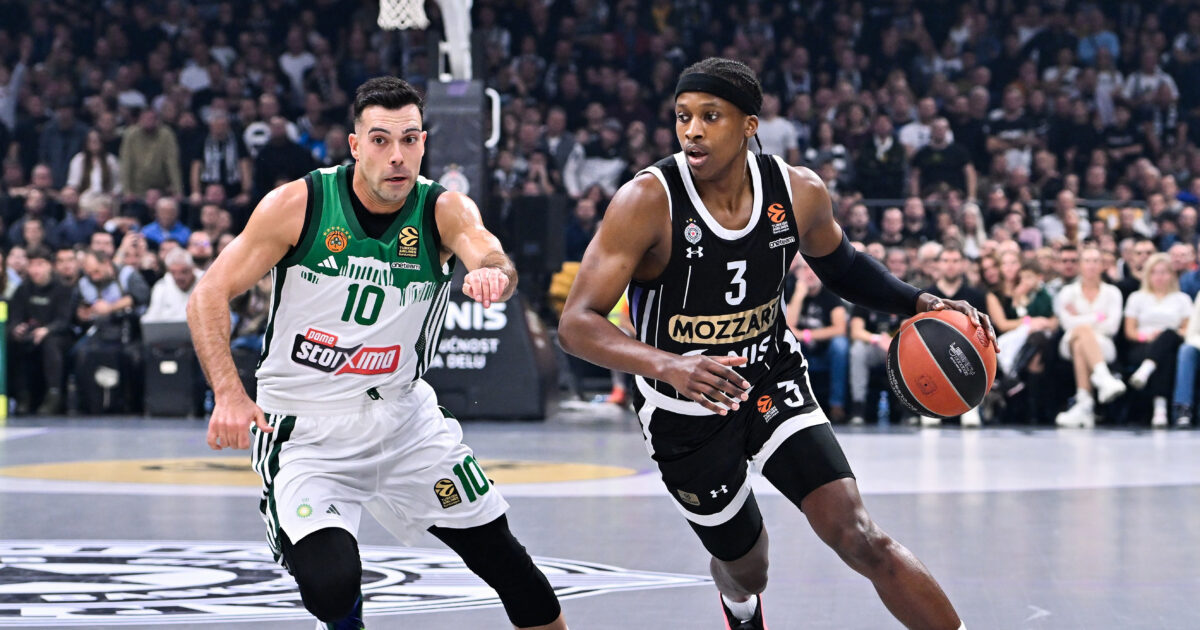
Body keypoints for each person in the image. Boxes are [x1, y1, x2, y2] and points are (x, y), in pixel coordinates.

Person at [558, 58, 988, 630]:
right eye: (683, 117)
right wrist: (671, 366)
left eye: (710, 116)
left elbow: (843, 266)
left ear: (749, 125)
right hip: (685, 408)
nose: (692, 131)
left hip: (771, 376)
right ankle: (741, 608)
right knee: (748, 568)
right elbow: (576, 323)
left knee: (859, 534)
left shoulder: (798, 190)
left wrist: (916, 301)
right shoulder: (647, 201)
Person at [186, 77, 567, 630]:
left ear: (424, 143)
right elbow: (208, 294)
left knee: (509, 565)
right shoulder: (299, 204)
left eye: (409, 139)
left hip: (403, 420)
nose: (397, 156)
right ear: (355, 145)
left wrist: (494, 276)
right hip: (306, 429)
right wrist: (228, 392)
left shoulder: (443, 208)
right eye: (381, 140)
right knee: (330, 587)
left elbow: (491, 254)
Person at [1054, 246, 1126, 428]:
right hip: (1068, 341)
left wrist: (1080, 317)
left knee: (1081, 342)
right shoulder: (1067, 292)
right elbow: (1067, 324)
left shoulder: (1113, 293)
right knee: (1081, 332)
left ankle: (1084, 405)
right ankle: (1104, 378)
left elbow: (1112, 327)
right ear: (1080, 265)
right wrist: (1097, 317)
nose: (1091, 265)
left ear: (1102, 265)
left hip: (1103, 343)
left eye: (1095, 261)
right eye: (1087, 261)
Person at [1123, 253, 1191, 427]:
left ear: (1171, 275)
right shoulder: (1137, 297)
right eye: (1154, 272)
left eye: (1164, 272)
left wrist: (1165, 335)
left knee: (1167, 337)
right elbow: (1130, 331)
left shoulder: (1182, 299)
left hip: (1172, 341)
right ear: (1148, 274)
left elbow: (1187, 329)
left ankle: (1147, 369)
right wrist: (1146, 336)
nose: (1159, 277)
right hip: (1142, 343)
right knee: (1163, 355)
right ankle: (1160, 408)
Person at [8, 247, 73, 414]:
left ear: (50, 266)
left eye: (40, 264)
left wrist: (47, 329)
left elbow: (64, 320)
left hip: (57, 336)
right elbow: (15, 316)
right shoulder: (23, 289)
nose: (35, 269)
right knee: (14, 341)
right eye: (31, 264)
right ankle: (22, 396)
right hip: (31, 334)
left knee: (51, 344)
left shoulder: (62, 289)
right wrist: (17, 328)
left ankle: (54, 395)